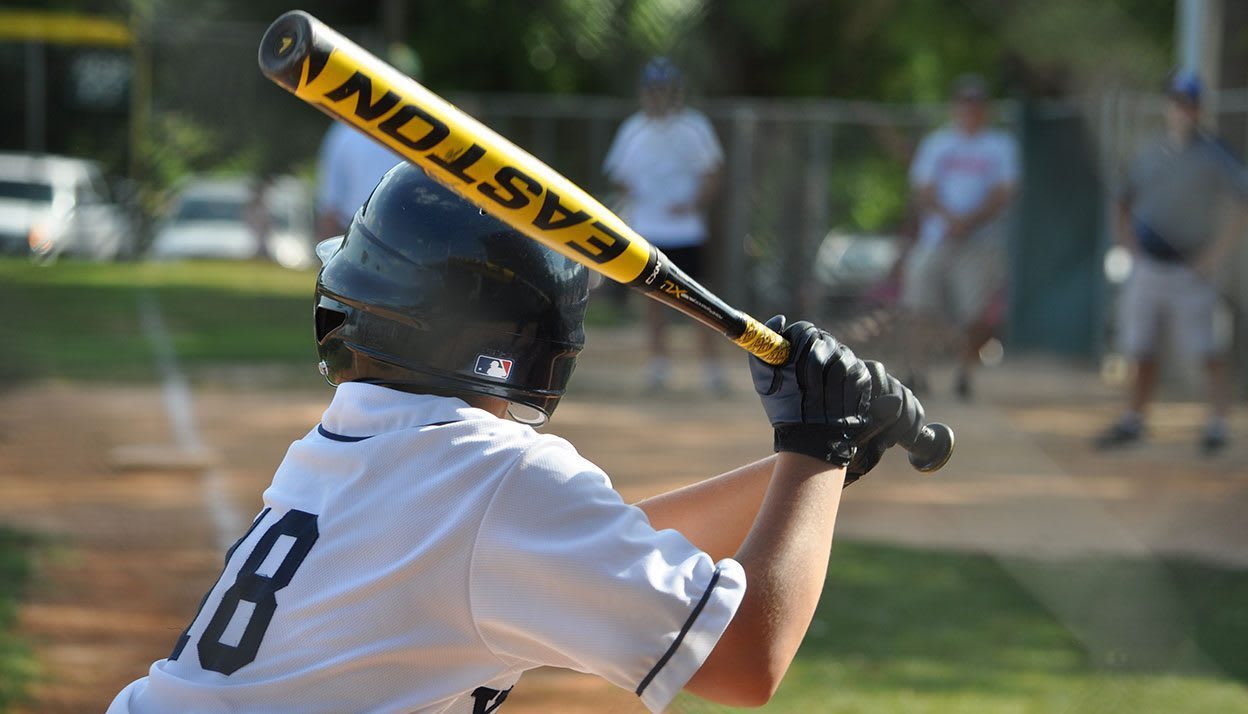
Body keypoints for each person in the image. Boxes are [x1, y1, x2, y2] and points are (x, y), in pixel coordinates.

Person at [106, 163, 927, 713]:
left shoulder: (364, 449)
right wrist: (815, 444)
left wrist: (821, 459)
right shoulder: (493, 487)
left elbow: (599, 550)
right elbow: (748, 661)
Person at [1095, 71, 1248, 453]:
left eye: (1190, 103)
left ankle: (1218, 424)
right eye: (1177, 102)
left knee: (1206, 350)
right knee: (1140, 348)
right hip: (1150, 264)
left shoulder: (1214, 152)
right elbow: (1122, 200)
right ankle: (1133, 420)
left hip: (1191, 267)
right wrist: (1129, 248)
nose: (1183, 110)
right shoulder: (1151, 150)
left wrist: (1216, 253)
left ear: (1199, 108)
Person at [604, 57, 727, 393]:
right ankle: (658, 365)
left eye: (664, 90)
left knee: (701, 298)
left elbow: (712, 172)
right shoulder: (634, 128)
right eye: (653, 90)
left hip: (686, 228)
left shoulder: (694, 126)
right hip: (650, 228)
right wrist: (638, 194)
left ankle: (711, 368)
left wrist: (693, 203)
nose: (659, 97)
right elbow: (617, 173)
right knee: (653, 300)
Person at [900, 75, 1019, 399]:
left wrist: (968, 220)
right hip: (937, 237)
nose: (970, 109)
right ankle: (917, 370)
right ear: (956, 107)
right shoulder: (938, 143)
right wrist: (949, 219)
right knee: (918, 305)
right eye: (965, 102)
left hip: (979, 241)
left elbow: (1004, 191)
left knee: (975, 312)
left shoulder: (999, 145)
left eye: (976, 103)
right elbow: (923, 188)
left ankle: (964, 373)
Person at [314, 121, 402, 240]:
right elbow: (331, 210)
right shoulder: (344, 132)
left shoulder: (344, 132)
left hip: (361, 237)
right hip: (360, 235)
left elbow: (331, 210)